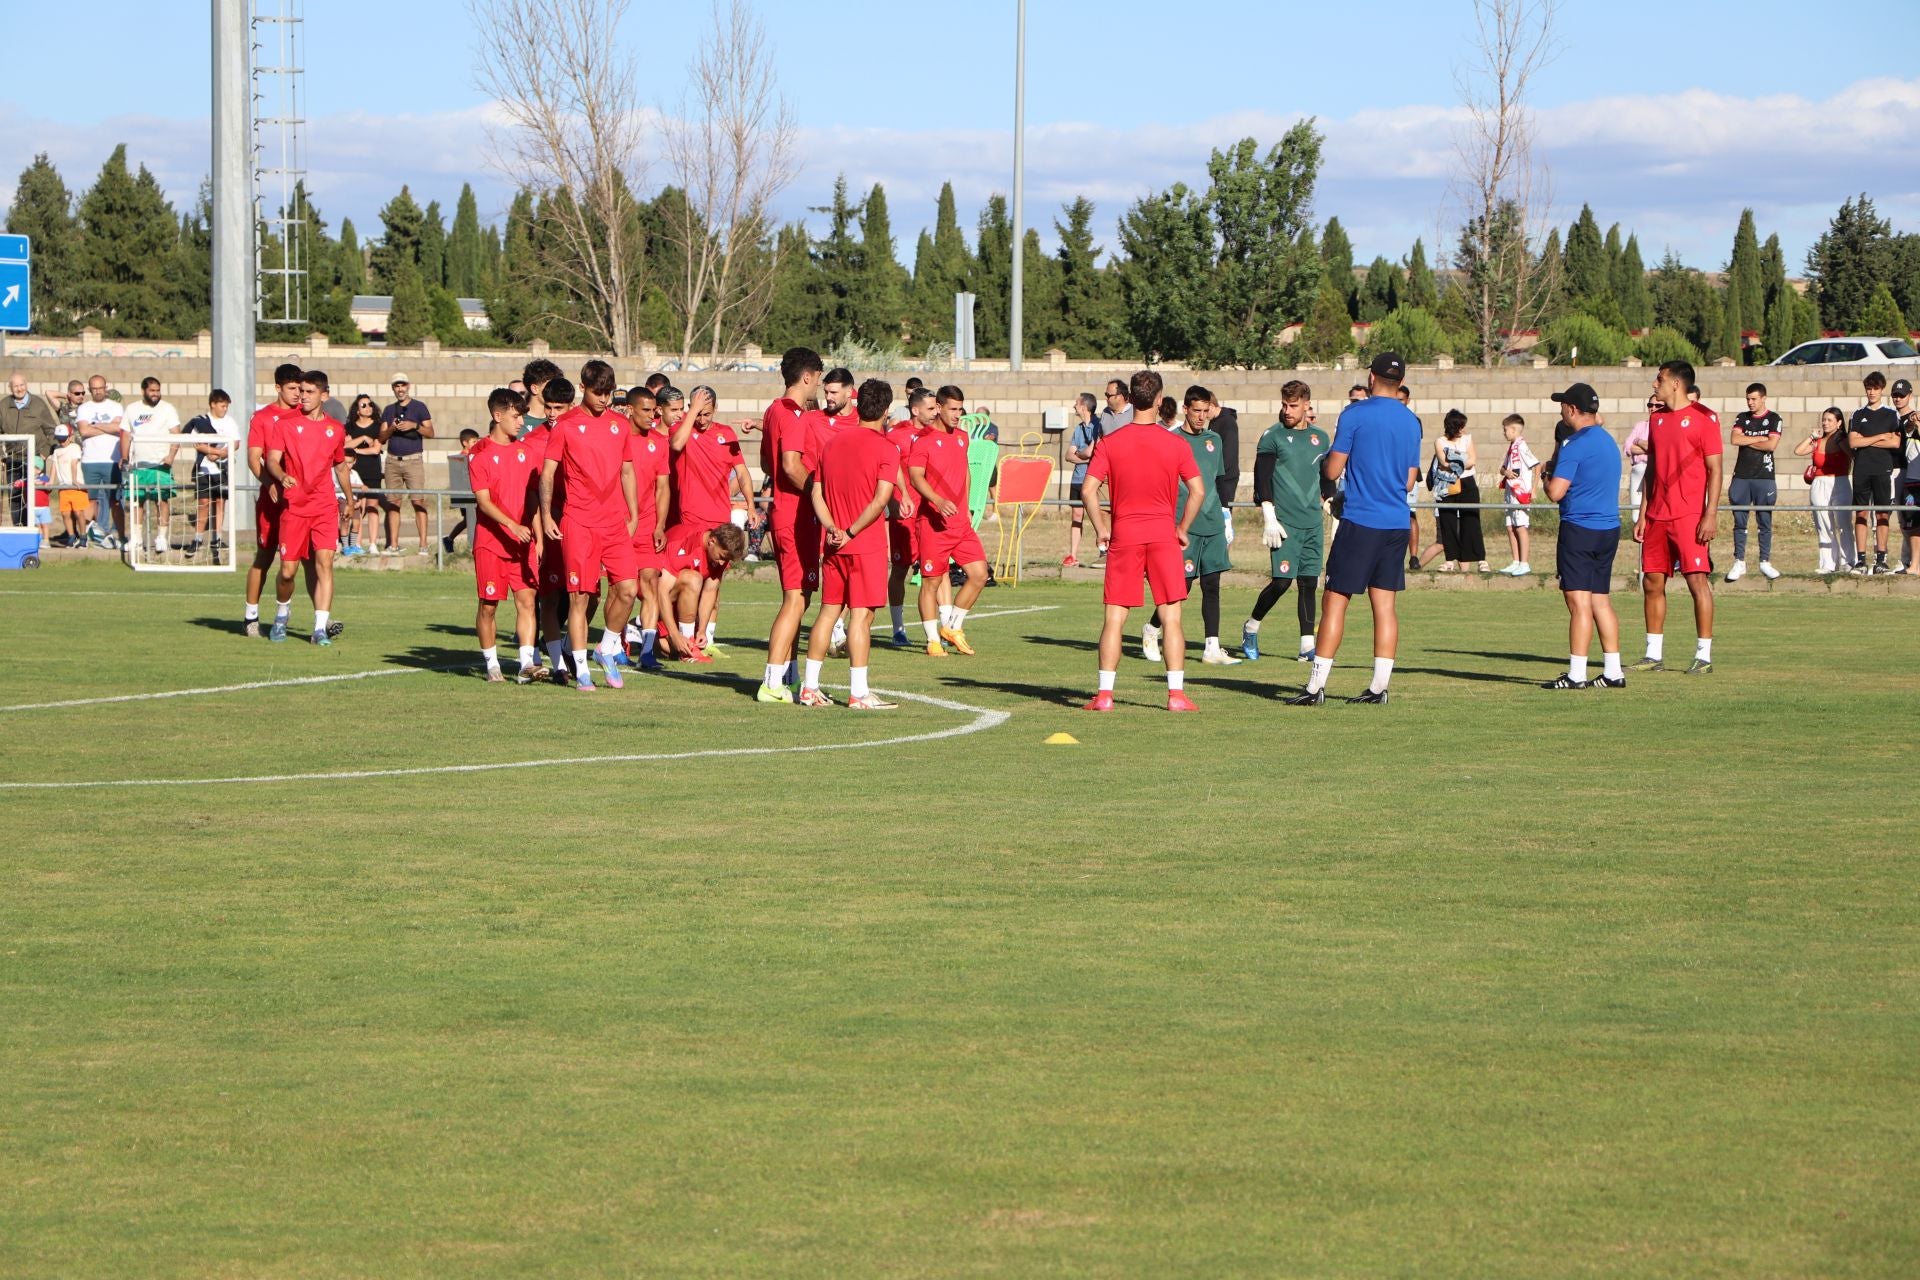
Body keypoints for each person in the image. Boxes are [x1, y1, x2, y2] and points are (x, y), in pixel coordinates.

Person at [1285, 352, 1421, 706]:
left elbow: (1332, 471)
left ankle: (1315, 687)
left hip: (1361, 519)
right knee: (1385, 606)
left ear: (1372, 378)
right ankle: (1379, 688)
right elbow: (1409, 481)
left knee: (1335, 602)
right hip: (1396, 522)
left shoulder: (1355, 414)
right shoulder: (1411, 421)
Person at [1080, 369, 1205, 712]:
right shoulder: (1176, 443)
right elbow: (1198, 490)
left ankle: (1105, 695)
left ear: (1131, 399)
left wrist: (1100, 528)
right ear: (1161, 401)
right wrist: (1182, 528)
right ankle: (1176, 695)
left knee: (1114, 618)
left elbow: (1088, 489)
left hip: (1126, 536)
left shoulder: (1110, 443)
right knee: (1172, 618)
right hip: (1163, 536)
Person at [798, 378, 902, 710]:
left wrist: (832, 528)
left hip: (833, 544)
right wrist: (853, 532)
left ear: (857, 403)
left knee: (828, 613)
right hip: (864, 544)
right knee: (861, 618)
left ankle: (809, 688)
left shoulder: (832, 444)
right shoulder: (887, 448)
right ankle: (859, 692)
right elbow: (880, 500)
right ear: (886, 411)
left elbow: (817, 491)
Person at [539, 359, 640, 692]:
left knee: (628, 589)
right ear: (583, 388)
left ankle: (607, 648)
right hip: (579, 521)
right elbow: (549, 473)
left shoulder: (620, 425)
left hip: (614, 522)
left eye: (609, 393)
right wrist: (547, 514)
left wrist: (634, 513)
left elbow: (627, 471)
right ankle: (581, 669)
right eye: (598, 393)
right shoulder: (565, 424)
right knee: (580, 596)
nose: (604, 399)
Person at [1631, 359, 1720, 675]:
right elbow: (1652, 470)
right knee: (1652, 582)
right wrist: (1643, 514)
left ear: (1676, 384)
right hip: (1657, 516)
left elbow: (1715, 469)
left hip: (1689, 516)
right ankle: (1653, 654)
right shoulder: (1656, 421)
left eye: (1659, 379)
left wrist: (1710, 514)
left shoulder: (1704, 419)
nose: (1654, 384)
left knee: (1697, 582)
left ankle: (1703, 656)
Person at [1539, 383, 1626, 689]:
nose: (1561, 410)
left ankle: (1577, 674)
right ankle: (1613, 671)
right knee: (1600, 599)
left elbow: (1555, 492)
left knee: (1578, 602)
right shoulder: (1606, 440)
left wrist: (1546, 475)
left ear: (1573, 410)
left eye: (1563, 405)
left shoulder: (1574, 444)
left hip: (1580, 528)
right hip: (1608, 529)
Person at [757, 348, 827, 703]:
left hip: (786, 512)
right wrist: (819, 495)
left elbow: (766, 462)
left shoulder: (773, 411)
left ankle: (788, 674)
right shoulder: (795, 414)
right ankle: (771, 681)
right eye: (818, 377)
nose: (819, 384)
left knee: (800, 597)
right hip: (796, 515)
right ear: (807, 377)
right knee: (795, 599)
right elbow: (788, 465)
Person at [262, 370, 351, 646]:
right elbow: (272, 460)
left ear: (324, 395)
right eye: (300, 390)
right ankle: (281, 614)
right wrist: (280, 476)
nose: (303, 396)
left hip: (324, 506)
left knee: (325, 563)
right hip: (295, 508)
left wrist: (349, 499)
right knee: (288, 571)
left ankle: (320, 628)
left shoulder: (335, 429)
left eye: (310, 391)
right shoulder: (285, 424)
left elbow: (340, 465)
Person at [1243, 379, 1328, 663]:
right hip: (1284, 524)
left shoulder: (1321, 438)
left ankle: (1307, 647)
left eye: (1293, 405)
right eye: (1284, 405)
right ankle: (1252, 625)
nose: (1288, 411)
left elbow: (1326, 480)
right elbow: (1262, 479)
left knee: (1308, 582)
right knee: (1281, 582)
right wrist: (1268, 515)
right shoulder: (1273, 436)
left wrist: (1332, 503)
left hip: (1312, 523)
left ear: (1307, 405)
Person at [1152, 384, 1237, 665]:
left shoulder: (1215, 440)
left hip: (1212, 522)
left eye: (1205, 411)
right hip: (1183, 525)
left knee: (1212, 584)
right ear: (1185, 410)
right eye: (1196, 411)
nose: (1201, 417)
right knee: (1182, 586)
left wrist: (1225, 516)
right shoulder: (1170, 441)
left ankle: (1212, 648)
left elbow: (1215, 482)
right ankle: (1152, 629)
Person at [467, 387, 546, 683]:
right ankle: (492, 665)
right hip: (491, 543)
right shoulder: (480, 453)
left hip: (523, 543)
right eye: (516, 416)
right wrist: (512, 525)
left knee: (527, 601)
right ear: (497, 416)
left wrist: (537, 536)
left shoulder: (527, 452)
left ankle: (527, 664)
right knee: (488, 606)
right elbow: (484, 501)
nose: (521, 422)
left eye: (522, 415)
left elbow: (532, 499)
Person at [907, 385, 990, 657]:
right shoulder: (923, 440)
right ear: (939, 408)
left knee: (979, 575)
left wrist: (967, 505)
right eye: (952, 409)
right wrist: (938, 501)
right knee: (931, 582)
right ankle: (933, 641)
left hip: (960, 524)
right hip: (933, 524)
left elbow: (964, 470)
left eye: (960, 409)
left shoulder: (963, 438)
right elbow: (916, 476)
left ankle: (952, 626)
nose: (957, 415)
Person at [668, 384, 751, 653]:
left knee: (713, 582)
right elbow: (676, 444)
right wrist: (691, 412)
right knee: (689, 579)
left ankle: (705, 637)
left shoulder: (726, 435)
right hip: (691, 520)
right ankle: (679, 636)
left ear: (715, 409)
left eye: (707, 414)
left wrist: (750, 504)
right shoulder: (682, 428)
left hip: (719, 521)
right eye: (698, 413)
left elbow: (742, 472)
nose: (702, 420)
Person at [242, 363, 305, 636]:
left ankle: (319, 618)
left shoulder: (306, 416)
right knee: (264, 557)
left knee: (310, 561)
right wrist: (269, 483)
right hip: (272, 501)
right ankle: (251, 617)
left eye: (300, 389)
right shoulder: (263, 418)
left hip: (302, 502)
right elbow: (253, 459)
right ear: (278, 387)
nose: (297, 394)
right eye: (292, 388)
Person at [618, 383, 673, 669]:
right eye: (646, 410)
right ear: (630, 409)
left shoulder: (659, 442)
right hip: (620, 527)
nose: (653, 416)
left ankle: (648, 652)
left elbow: (663, 487)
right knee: (623, 590)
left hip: (649, 527)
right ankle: (617, 642)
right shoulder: (616, 437)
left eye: (655, 411)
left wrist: (660, 525)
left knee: (651, 584)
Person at [884, 387, 936, 645]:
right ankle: (898, 628)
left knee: (939, 571)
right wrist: (894, 502)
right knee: (901, 568)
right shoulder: (897, 435)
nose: (936, 412)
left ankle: (940, 632)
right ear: (915, 410)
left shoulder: (939, 435)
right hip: (906, 513)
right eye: (930, 408)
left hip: (932, 513)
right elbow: (887, 470)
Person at [1725, 382, 1783, 582]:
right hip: (1741, 476)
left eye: (1754, 399)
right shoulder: (1742, 417)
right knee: (1740, 521)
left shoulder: (1774, 418)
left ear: (1763, 398)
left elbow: (1772, 445)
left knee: (1764, 521)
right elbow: (1734, 439)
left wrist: (1748, 439)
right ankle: (1739, 561)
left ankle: (1764, 561)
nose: (1750, 403)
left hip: (1764, 477)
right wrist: (1759, 438)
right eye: (1748, 399)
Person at [1417, 409, 1487, 572]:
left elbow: (1472, 460)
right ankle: (1451, 558)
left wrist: (1455, 460)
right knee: (1447, 521)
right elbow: (1443, 462)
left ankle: (1478, 558)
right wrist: (1459, 461)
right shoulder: (1440, 441)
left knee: (1471, 520)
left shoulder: (1468, 439)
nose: (1463, 429)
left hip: (1467, 482)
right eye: (1460, 426)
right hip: (1447, 483)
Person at [663, 524, 748, 658]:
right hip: (655, 599)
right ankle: (647, 627)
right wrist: (674, 634)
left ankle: (638, 627)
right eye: (721, 556)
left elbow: (710, 592)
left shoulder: (719, 553)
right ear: (712, 541)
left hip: (674, 602)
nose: (722, 563)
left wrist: (702, 630)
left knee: (672, 651)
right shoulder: (684, 545)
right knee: (693, 579)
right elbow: (660, 592)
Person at [1847, 371, 1900, 575]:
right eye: (1868, 388)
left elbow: (1895, 442)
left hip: (1882, 468)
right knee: (1861, 512)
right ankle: (1860, 560)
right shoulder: (1858, 414)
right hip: (1862, 468)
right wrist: (1880, 437)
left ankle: (1881, 559)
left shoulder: (1890, 414)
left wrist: (1866, 438)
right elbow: (1853, 442)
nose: (1871, 392)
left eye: (1875, 388)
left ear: (1882, 389)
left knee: (1882, 513)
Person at [122, 377, 182, 553]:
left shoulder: (168, 409)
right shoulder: (132, 409)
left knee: (161, 500)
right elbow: (126, 434)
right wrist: (124, 457)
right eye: (152, 391)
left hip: (159, 463)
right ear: (143, 391)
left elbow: (176, 433)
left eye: (158, 390)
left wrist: (171, 455)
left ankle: (162, 537)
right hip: (138, 464)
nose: (155, 394)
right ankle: (137, 539)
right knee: (136, 501)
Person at [378, 374, 435, 552]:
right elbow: (380, 438)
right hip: (392, 461)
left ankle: (423, 545)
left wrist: (414, 426)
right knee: (393, 503)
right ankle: (393, 544)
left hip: (413, 460)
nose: (400, 389)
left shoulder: (419, 407)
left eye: (402, 385)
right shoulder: (388, 410)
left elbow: (431, 432)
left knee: (418, 501)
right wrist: (392, 428)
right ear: (393, 388)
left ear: (408, 386)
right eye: (396, 386)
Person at [1793, 406, 1853, 573]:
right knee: (1823, 524)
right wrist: (1812, 436)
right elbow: (1798, 451)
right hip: (1819, 483)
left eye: (1829, 420)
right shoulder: (1818, 441)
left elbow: (1852, 454)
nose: (1825, 423)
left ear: (1838, 423)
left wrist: (1842, 441)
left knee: (1843, 524)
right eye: (1824, 420)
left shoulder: (1843, 440)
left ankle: (1848, 561)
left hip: (1839, 481)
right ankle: (1827, 563)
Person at [180, 390, 238, 557]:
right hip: (204, 469)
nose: (225, 409)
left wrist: (220, 454)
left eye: (226, 406)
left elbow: (236, 443)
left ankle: (217, 538)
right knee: (203, 503)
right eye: (222, 405)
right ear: (213, 404)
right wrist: (214, 452)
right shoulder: (200, 422)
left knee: (220, 503)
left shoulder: (230, 422)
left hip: (222, 469)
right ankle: (198, 538)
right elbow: (197, 444)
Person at [74, 374, 125, 547]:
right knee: (90, 500)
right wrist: (107, 428)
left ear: (106, 388)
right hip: (90, 460)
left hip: (113, 460)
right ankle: (87, 537)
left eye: (100, 388)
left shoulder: (116, 406)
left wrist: (94, 425)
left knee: (115, 500)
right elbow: (84, 431)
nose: (97, 391)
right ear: (89, 390)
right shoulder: (84, 408)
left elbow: (119, 428)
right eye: (94, 389)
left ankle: (121, 536)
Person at [2, 372, 58, 526]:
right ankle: (19, 528)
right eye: (15, 386)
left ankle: (34, 530)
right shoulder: (3, 405)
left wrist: (45, 454)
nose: (19, 389)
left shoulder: (38, 404)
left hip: (35, 460)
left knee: (34, 496)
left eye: (21, 385)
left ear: (26, 385)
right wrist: (2, 456)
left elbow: (52, 431)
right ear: (10, 388)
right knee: (15, 496)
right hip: (13, 459)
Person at [1495, 414, 1539, 575]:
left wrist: (1534, 489)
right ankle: (1516, 561)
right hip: (1510, 491)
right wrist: (1505, 472)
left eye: (1505, 429)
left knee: (1521, 527)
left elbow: (1537, 465)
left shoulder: (1522, 446)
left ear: (1513, 429)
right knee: (1510, 526)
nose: (1504, 433)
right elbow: (1502, 468)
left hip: (1520, 492)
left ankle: (1524, 562)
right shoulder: (1512, 447)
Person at [341, 393, 383, 555]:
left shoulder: (378, 426)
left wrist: (355, 448)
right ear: (357, 410)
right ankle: (355, 543)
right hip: (354, 473)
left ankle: (372, 543)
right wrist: (364, 438)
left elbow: (376, 449)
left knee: (372, 507)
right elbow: (345, 447)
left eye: (370, 404)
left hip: (372, 471)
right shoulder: (349, 427)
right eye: (363, 405)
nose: (368, 408)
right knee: (357, 508)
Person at [1064, 391, 1101, 566]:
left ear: (1084, 406)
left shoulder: (1099, 426)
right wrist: (1084, 455)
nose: (1074, 406)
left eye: (1077, 403)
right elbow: (1069, 455)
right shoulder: (1078, 429)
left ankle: (1103, 551)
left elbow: (1093, 454)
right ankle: (1073, 555)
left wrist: (1082, 454)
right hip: (1077, 479)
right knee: (1076, 515)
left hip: (1093, 480)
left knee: (1098, 515)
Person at [1896, 378, 1920, 572]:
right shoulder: (1907, 422)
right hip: (1911, 478)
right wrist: (1913, 424)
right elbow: (1907, 432)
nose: (1898, 398)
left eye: (1901, 395)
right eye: (1895, 395)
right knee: (1911, 522)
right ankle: (1913, 564)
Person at [50, 425, 86, 547]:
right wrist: (51, 481)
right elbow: (54, 467)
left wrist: (74, 479)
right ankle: (71, 536)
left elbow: (74, 463)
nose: (61, 442)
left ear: (70, 437)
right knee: (65, 513)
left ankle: (83, 536)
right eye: (59, 439)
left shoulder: (75, 447)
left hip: (76, 487)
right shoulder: (56, 451)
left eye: (63, 439)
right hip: (63, 487)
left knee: (78, 512)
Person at [1623, 400, 1653, 524]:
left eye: (1658, 406)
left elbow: (1660, 449)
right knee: (1636, 512)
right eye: (1650, 405)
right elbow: (1628, 448)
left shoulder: (1667, 426)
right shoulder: (1640, 425)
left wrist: (1639, 441)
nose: (1653, 408)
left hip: (1655, 469)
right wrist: (1649, 448)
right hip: (1639, 469)